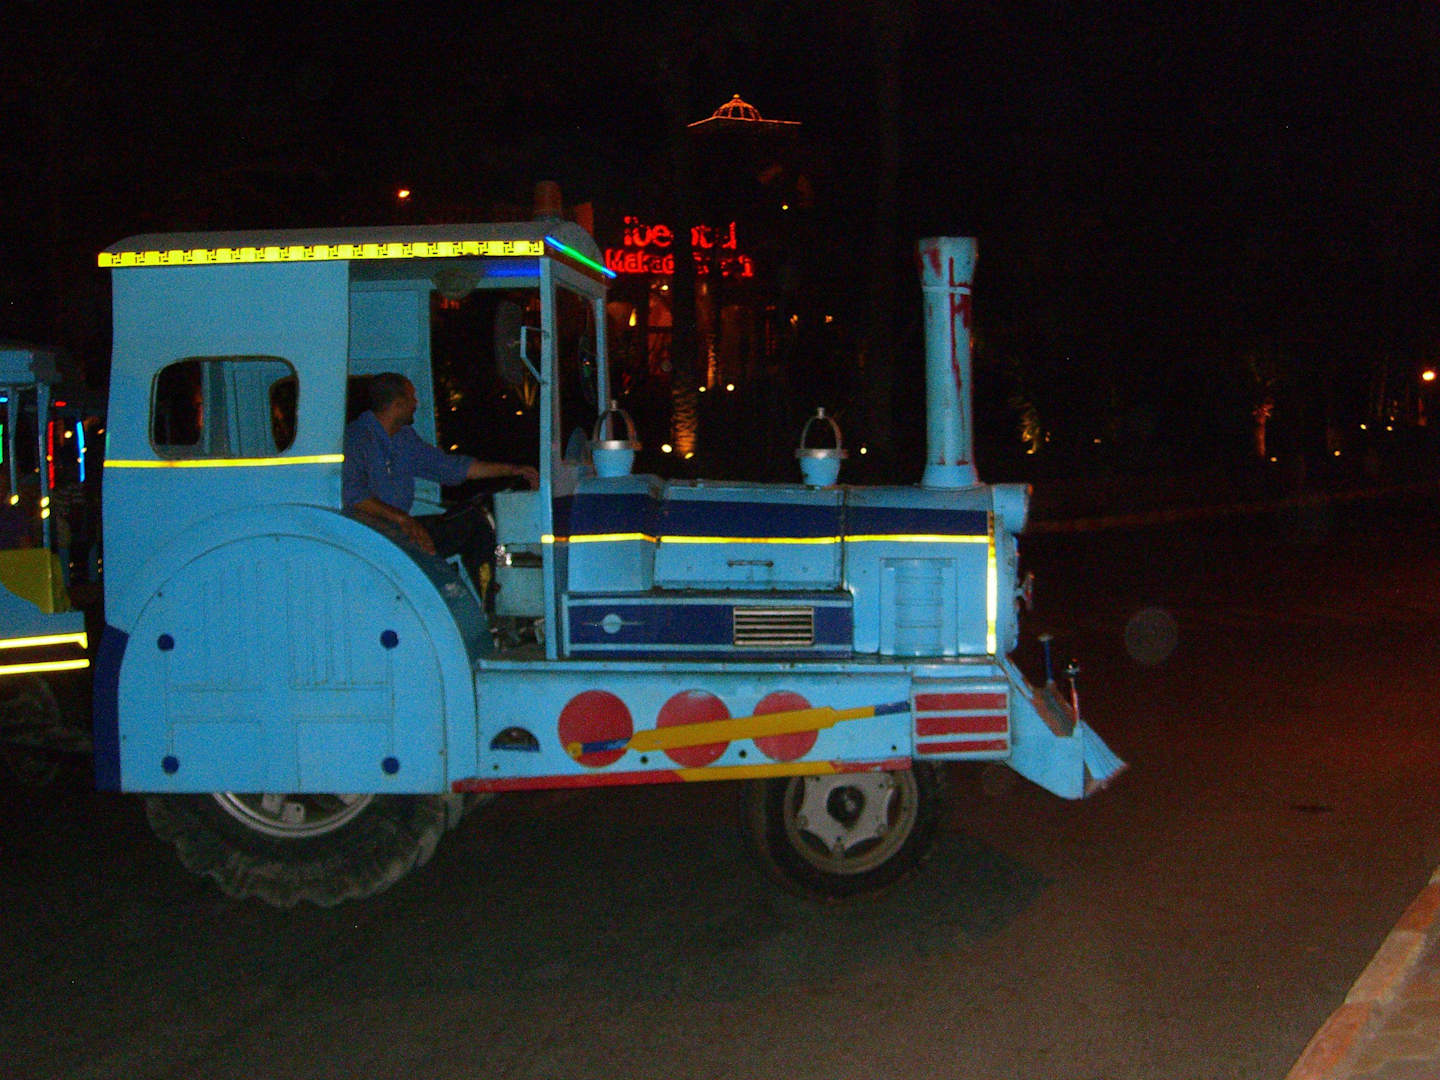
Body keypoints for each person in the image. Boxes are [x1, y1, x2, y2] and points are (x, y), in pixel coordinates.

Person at [342, 373, 538, 581]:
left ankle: (483, 592)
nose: (416, 404)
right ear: (398, 404)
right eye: (412, 397)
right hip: (369, 534)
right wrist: (403, 520)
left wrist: (512, 470)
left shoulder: (403, 439)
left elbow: (451, 468)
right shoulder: (356, 439)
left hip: (398, 528)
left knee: (473, 522)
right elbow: (354, 495)